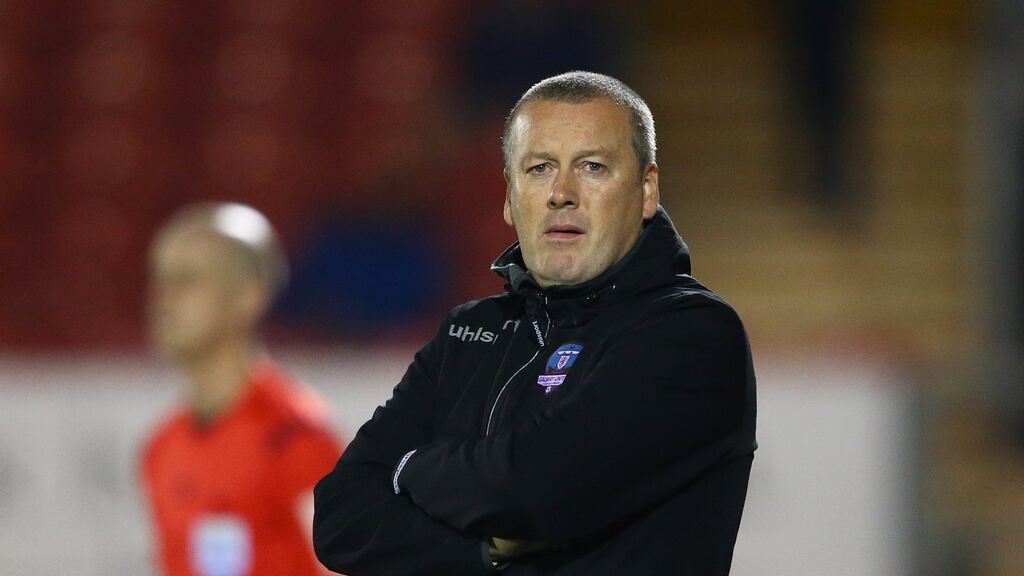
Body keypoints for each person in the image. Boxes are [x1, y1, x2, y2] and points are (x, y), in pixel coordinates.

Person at [313, 71, 757, 575]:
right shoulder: (468, 333)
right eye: (539, 168)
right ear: (508, 196)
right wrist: (485, 550)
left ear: (647, 190)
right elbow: (338, 520)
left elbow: (537, 491)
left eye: (592, 167)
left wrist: (408, 469)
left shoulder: (692, 333)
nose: (561, 193)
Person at [141, 202, 345, 576]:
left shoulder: (295, 436)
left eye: (188, 279)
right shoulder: (161, 448)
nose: (164, 298)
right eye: (161, 279)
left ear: (249, 295)